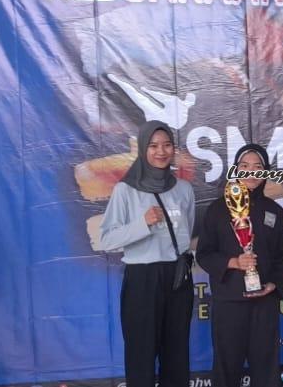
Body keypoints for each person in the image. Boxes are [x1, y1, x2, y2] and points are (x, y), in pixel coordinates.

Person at [99, 120, 196, 387]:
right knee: (140, 356)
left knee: (176, 356)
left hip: (177, 277)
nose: (161, 151)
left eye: (166, 145)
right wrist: (143, 224)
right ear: (143, 149)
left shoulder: (184, 189)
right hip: (142, 278)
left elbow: (187, 231)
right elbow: (106, 239)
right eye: (153, 146)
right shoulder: (125, 190)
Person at [196, 144, 283, 387]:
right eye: (245, 166)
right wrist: (233, 262)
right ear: (235, 170)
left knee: (266, 368)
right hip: (229, 302)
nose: (251, 172)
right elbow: (204, 254)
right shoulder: (218, 209)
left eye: (258, 167)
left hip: (264, 303)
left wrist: (274, 285)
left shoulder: (274, 211)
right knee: (227, 368)